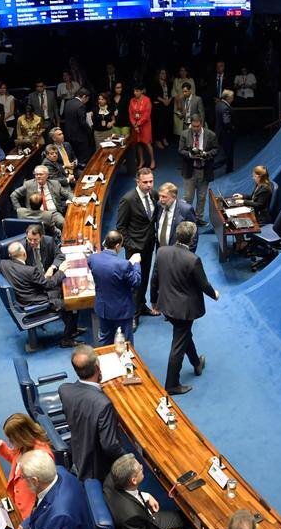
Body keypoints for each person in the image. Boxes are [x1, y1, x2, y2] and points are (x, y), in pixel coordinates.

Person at [151, 221, 218, 395]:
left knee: (184, 335)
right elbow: (203, 284)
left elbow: (155, 278)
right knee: (178, 345)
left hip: (166, 305)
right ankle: (172, 384)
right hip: (184, 310)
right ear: (193, 238)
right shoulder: (193, 259)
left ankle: (196, 363)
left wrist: (153, 302)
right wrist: (215, 294)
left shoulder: (161, 251)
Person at [104, 453, 202, 529]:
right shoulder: (131, 516)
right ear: (134, 480)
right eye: (140, 469)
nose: (142, 466)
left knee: (181, 518)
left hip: (143, 522)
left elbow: (128, 494)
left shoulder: (112, 478)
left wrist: (146, 496)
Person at [58, 345, 125, 480]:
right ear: (97, 368)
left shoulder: (64, 390)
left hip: (78, 453)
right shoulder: (103, 404)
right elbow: (110, 446)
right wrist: (128, 457)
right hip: (97, 469)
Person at [0, 241, 80, 347]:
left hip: (24, 297)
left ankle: (72, 330)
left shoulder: (3, 264)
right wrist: (61, 271)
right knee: (71, 304)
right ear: (24, 254)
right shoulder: (30, 271)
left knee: (61, 290)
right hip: (34, 302)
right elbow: (48, 284)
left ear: (10, 255)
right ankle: (66, 339)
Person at [0, 412, 54, 519]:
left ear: (21, 436)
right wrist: (0, 445)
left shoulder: (42, 456)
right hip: (18, 501)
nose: (10, 442)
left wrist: (29, 520)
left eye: (11, 439)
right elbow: (17, 462)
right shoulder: (24, 445)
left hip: (31, 513)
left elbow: (45, 493)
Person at [116, 168, 158, 316]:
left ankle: (141, 305)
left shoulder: (153, 194)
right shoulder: (128, 199)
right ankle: (133, 314)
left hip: (149, 245)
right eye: (145, 182)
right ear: (137, 181)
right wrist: (130, 246)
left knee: (145, 276)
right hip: (134, 248)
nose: (149, 185)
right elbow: (121, 226)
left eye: (151, 181)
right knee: (134, 282)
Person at [88, 231, 141, 346]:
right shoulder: (123, 265)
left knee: (105, 339)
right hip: (121, 311)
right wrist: (136, 264)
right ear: (117, 246)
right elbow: (136, 281)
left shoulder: (92, 259)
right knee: (124, 342)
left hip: (103, 308)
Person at [179, 113, 217, 220]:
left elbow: (215, 149)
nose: (195, 129)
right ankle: (187, 219)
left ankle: (199, 218)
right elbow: (180, 151)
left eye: (197, 126)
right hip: (190, 170)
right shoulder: (184, 134)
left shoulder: (211, 135)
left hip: (204, 171)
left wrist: (206, 155)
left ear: (202, 124)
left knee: (201, 197)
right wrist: (190, 155)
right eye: (193, 126)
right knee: (188, 197)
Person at [11, 165, 69, 230]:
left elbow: (66, 193)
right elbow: (13, 195)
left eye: (40, 174)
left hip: (53, 213)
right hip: (35, 214)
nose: (38, 176)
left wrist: (74, 199)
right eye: (36, 174)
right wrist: (18, 209)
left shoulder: (55, 183)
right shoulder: (28, 184)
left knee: (64, 224)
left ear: (47, 175)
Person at [152, 181, 197, 253]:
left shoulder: (186, 210)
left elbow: (193, 236)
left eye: (164, 197)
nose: (161, 199)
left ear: (174, 197)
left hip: (177, 254)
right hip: (160, 252)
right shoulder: (159, 205)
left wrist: (187, 256)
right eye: (160, 196)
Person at [61, 88, 93, 162]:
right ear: (84, 96)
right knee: (83, 157)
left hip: (69, 135)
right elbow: (82, 122)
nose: (87, 101)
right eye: (87, 99)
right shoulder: (81, 105)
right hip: (80, 136)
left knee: (73, 156)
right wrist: (89, 130)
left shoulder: (68, 102)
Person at [129, 83, 153, 169]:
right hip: (135, 125)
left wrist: (138, 124)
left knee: (147, 143)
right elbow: (131, 114)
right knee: (138, 143)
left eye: (137, 91)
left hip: (145, 125)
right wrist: (134, 124)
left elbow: (147, 115)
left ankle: (152, 160)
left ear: (142, 91)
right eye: (134, 91)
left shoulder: (147, 100)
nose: (135, 92)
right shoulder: (132, 100)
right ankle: (142, 160)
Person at [152, 68, 174, 149]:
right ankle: (157, 140)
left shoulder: (168, 83)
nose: (163, 75)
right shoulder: (155, 83)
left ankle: (163, 138)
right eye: (161, 73)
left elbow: (172, 92)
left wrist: (169, 100)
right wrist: (163, 101)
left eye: (164, 73)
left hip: (167, 104)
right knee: (159, 123)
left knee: (166, 122)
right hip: (159, 105)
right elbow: (154, 95)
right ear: (158, 74)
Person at [215, 89, 236, 174]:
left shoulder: (218, 104)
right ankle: (209, 168)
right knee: (227, 154)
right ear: (228, 98)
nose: (233, 99)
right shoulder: (225, 108)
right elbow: (227, 122)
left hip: (219, 132)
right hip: (227, 134)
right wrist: (233, 127)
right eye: (232, 97)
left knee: (227, 153)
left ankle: (229, 169)